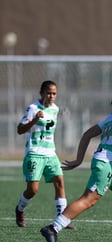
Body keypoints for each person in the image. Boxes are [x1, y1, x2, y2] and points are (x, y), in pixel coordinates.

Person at [40, 81, 112, 242]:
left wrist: (79, 160)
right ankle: (53, 228)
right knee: (88, 200)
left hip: (109, 165)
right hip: (107, 163)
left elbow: (87, 134)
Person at [15, 80, 74, 229]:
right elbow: (20, 130)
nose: (52, 96)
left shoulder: (55, 109)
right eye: (49, 93)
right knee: (33, 190)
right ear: (41, 93)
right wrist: (34, 119)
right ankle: (20, 209)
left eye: (54, 93)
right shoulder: (33, 108)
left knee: (59, 181)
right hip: (34, 153)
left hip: (50, 153)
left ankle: (62, 218)